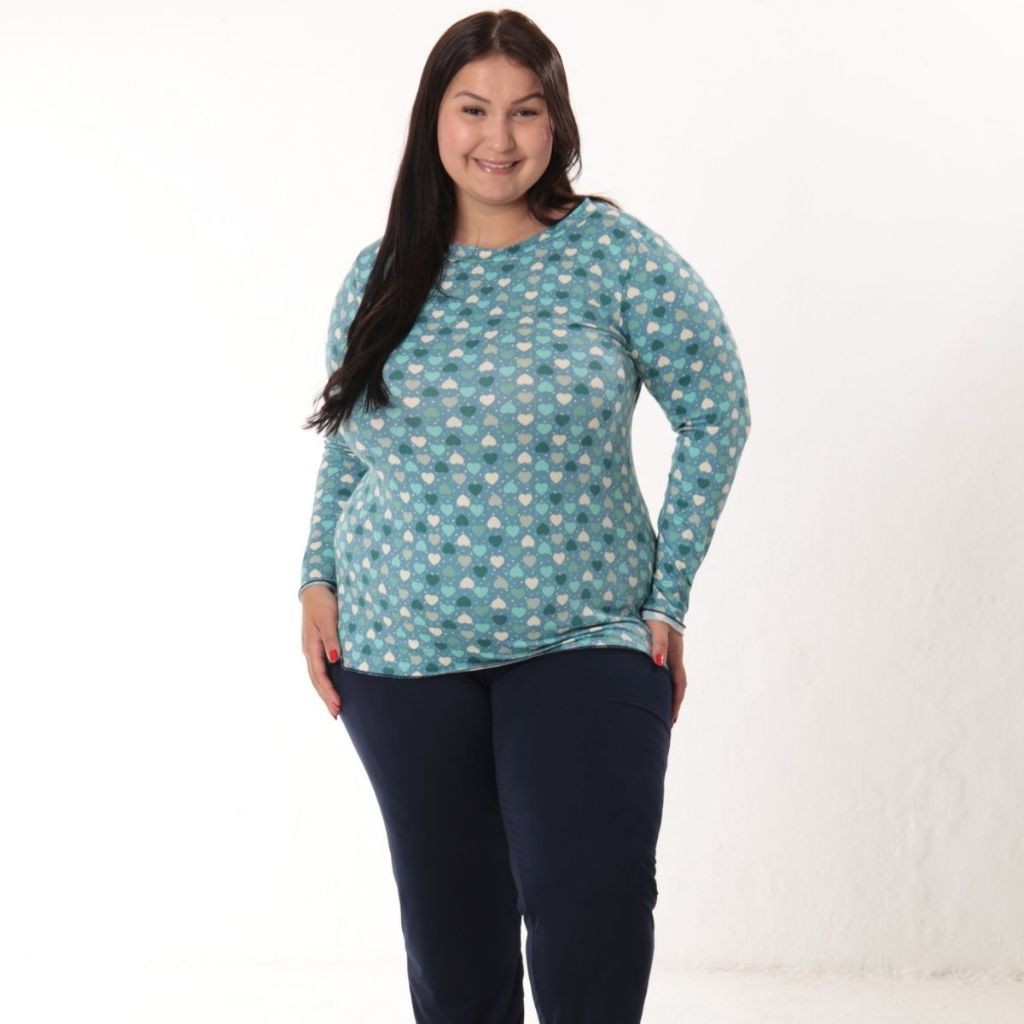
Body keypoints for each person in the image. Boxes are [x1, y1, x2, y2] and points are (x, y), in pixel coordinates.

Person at [298, 10, 751, 1023]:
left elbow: (717, 408)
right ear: (433, 119)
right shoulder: (379, 275)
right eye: (472, 110)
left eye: (525, 112)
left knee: (593, 911)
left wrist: (668, 595)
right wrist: (315, 575)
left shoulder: (613, 256)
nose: (497, 139)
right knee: (453, 941)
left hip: (583, 634)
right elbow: (350, 442)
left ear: (558, 124)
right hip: (398, 650)